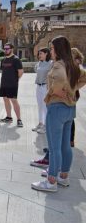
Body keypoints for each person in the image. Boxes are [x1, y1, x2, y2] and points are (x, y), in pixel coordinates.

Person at [31, 36, 86, 192]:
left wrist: (52, 94)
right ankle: (63, 176)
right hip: (70, 109)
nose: (51, 51)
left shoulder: (58, 66)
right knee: (65, 146)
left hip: (57, 109)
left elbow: (60, 78)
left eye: (52, 48)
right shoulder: (72, 65)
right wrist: (72, 89)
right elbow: (84, 76)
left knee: (54, 148)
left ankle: (51, 181)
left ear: (58, 50)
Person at [0, 43, 24, 127]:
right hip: (3, 84)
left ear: (12, 49)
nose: (5, 50)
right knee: (5, 100)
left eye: (7, 48)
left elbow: (20, 72)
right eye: (4, 48)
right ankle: (9, 117)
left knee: (14, 101)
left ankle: (19, 119)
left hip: (12, 84)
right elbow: (3, 71)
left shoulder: (16, 59)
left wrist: (15, 80)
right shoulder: (3, 60)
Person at [32, 48, 52, 134]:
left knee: (45, 107)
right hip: (38, 87)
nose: (39, 55)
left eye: (41, 53)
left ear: (46, 54)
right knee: (40, 106)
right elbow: (36, 69)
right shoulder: (39, 63)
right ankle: (40, 123)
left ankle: (46, 126)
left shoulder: (51, 63)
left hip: (45, 87)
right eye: (39, 54)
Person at [69, 47, 84, 147]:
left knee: (70, 117)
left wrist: (75, 87)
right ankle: (70, 140)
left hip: (73, 93)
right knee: (69, 117)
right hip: (73, 92)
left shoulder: (76, 64)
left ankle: (70, 140)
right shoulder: (74, 64)